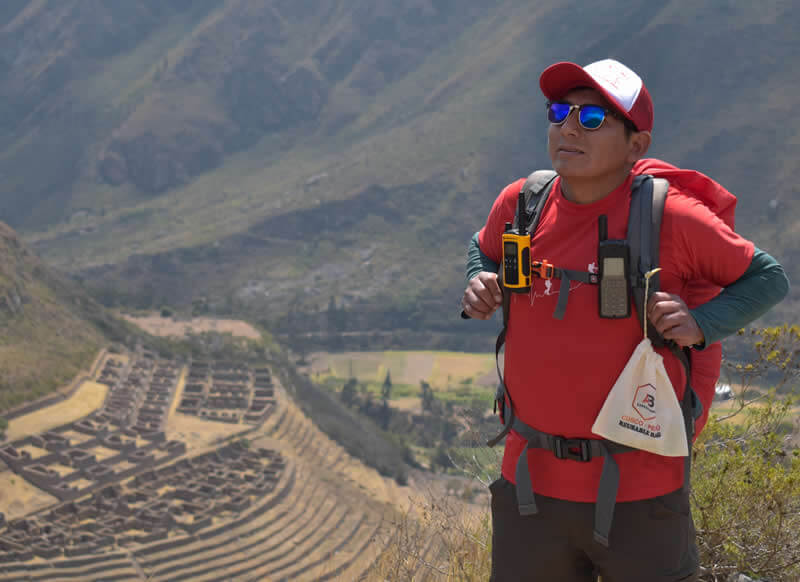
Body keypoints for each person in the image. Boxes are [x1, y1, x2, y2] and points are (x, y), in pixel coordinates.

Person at [461, 58, 790, 582]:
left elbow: (767, 278)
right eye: (559, 112)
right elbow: (483, 249)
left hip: (641, 494)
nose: (569, 128)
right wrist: (479, 278)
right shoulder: (522, 203)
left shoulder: (672, 218)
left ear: (637, 145)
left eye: (593, 118)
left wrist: (703, 322)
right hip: (528, 487)